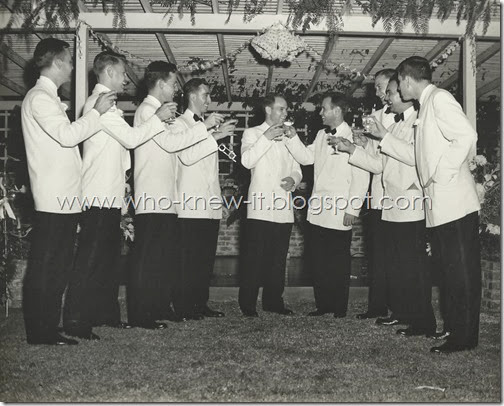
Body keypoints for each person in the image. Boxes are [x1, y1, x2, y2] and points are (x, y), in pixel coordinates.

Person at [62, 51, 176, 340]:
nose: (127, 78)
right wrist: (159, 119)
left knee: (107, 259)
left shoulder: (108, 106)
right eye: (123, 73)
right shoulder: (98, 106)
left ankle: (105, 314)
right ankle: (76, 319)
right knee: (90, 259)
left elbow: (120, 150)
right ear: (109, 72)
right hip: (97, 193)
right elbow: (132, 139)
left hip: (110, 193)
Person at [21, 38, 116, 345]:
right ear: (58, 62)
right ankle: (40, 330)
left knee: (57, 265)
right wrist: (96, 113)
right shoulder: (40, 98)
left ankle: (48, 327)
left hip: (62, 196)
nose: (73, 67)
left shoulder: (47, 97)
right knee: (47, 265)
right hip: (52, 196)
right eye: (70, 61)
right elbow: (66, 137)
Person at [339, 73, 437, 336]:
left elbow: (416, 157)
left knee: (414, 267)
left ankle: (423, 322)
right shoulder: (394, 127)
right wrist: (352, 151)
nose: (388, 98)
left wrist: (383, 137)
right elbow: (380, 165)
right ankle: (403, 313)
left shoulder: (419, 121)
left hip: (411, 203)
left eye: (391, 92)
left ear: (405, 95)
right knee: (398, 266)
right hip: (391, 205)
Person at [396, 56, 482, 353]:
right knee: (450, 273)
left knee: (462, 273)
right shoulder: (426, 105)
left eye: (399, 83)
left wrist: (441, 174)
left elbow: (467, 135)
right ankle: (457, 330)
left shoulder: (439, 99)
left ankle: (465, 337)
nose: (399, 88)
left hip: (455, 203)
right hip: (441, 205)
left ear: (407, 80)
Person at [127, 62, 220, 329]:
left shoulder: (161, 113)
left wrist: (206, 130)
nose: (176, 89)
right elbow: (171, 143)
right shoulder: (147, 111)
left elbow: (174, 146)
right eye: (173, 83)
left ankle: (157, 306)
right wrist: (206, 128)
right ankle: (140, 314)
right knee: (146, 258)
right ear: (161, 84)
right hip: (151, 193)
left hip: (166, 195)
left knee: (161, 259)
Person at [284, 93, 369, 318]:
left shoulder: (355, 136)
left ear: (337, 111)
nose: (320, 113)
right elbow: (306, 158)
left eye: (324, 109)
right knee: (319, 259)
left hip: (341, 209)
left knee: (338, 260)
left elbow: (361, 176)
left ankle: (339, 307)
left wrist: (353, 208)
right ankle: (323, 305)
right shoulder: (322, 135)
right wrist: (292, 138)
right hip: (318, 209)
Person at [172, 78, 236, 321]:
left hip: (209, 205)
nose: (209, 100)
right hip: (189, 206)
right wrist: (214, 137)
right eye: (205, 95)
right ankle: (183, 306)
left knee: (205, 260)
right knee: (187, 260)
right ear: (192, 96)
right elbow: (187, 156)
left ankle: (200, 304)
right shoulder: (178, 124)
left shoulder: (206, 127)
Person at [238, 94, 302, 317]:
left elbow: (297, 166)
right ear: (268, 109)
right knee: (254, 259)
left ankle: (273, 301)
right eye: (281, 109)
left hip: (283, 207)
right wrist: (265, 138)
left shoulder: (289, 136)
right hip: (260, 207)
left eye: (286, 109)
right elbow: (246, 161)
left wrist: (294, 179)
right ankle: (247, 304)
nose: (285, 113)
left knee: (278, 259)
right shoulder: (252, 133)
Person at [353, 69, 396, 322]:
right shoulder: (374, 117)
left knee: (397, 256)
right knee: (378, 254)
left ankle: (399, 305)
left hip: (402, 197)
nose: (378, 93)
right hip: (379, 196)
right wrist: (361, 144)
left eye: (381, 88)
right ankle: (377, 306)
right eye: (377, 89)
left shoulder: (406, 116)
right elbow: (373, 159)